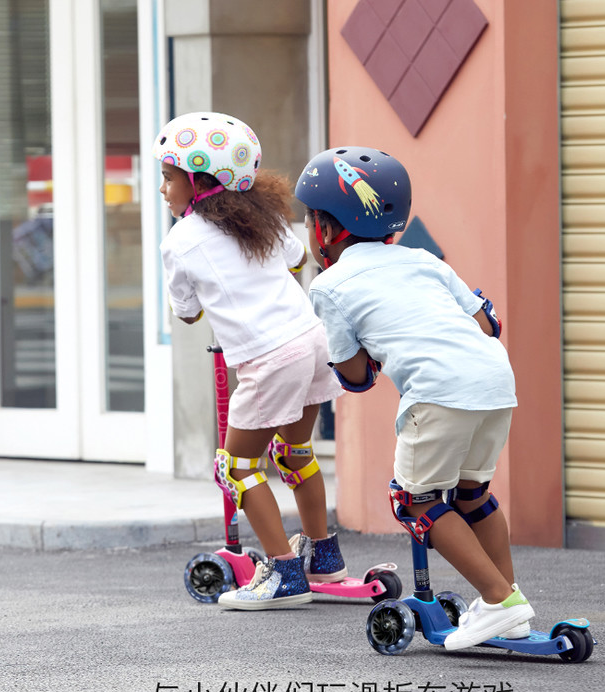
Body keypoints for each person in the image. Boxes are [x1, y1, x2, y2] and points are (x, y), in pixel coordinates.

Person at [295, 146, 534, 649]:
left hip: (437, 391)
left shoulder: (329, 285)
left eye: (311, 219)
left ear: (326, 228)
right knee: (472, 495)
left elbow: (355, 375)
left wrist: (373, 356)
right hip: (495, 380)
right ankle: (507, 606)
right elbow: (487, 325)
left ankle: (499, 601)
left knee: (412, 501)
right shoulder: (423, 260)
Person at [153, 112, 345, 610]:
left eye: (169, 177)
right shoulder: (262, 218)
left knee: (236, 467)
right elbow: (298, 258)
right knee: (294, 452)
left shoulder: (180, 241)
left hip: (270, 356)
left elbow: (187, 313)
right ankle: (324, 557)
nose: (163, 188)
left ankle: (284, 573)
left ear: (199, 182)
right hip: (312, 342)